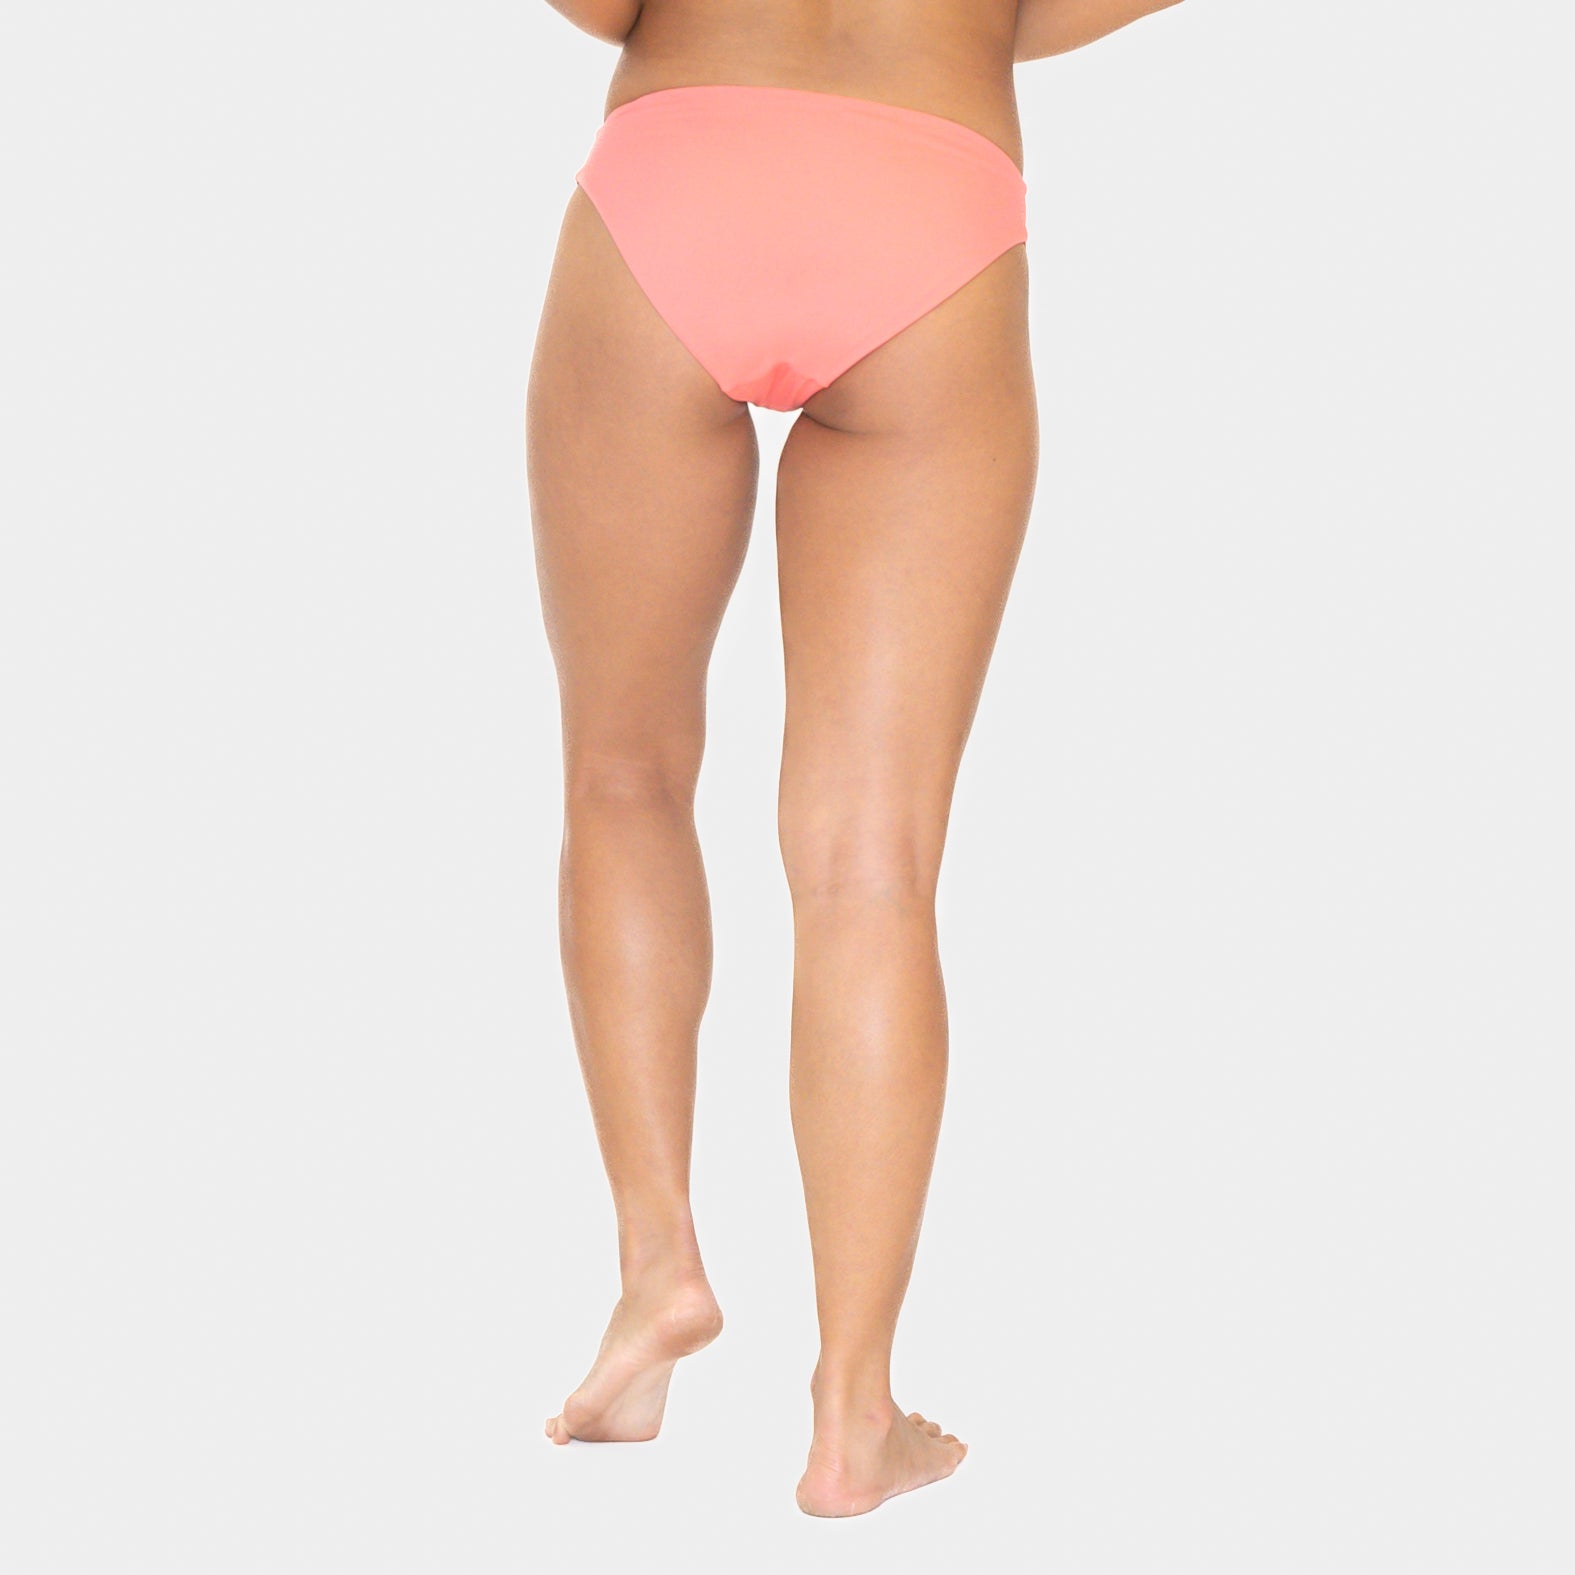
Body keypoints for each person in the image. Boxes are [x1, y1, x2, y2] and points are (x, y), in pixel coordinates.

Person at [526, 0, 1184, 1518]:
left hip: (681, 174)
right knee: (870, 865)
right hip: (928, 197)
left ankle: (659, 1267)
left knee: (623, 775)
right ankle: (851, 1415)